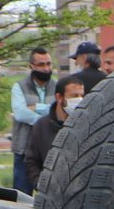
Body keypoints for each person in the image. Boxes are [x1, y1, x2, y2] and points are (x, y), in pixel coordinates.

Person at [18, 75, 87, 193]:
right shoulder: (41, 126)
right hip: (51, 193)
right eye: (74, 96)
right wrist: (39, 184)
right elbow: (31, 160)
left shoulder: (86, 125)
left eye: (82, 95)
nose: (79, 100)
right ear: (59, 97)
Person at [8, 50, 55, 192]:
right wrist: (47, 117)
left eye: (48, 64)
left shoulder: (57, 86)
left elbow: (60, 111)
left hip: (50, 150)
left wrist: (36, 107)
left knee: (51, 195)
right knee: (22, 196)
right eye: (41, 64)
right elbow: (20, 113)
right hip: (24, 150)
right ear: (31, 66)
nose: (46, 68)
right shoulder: (19, 86)